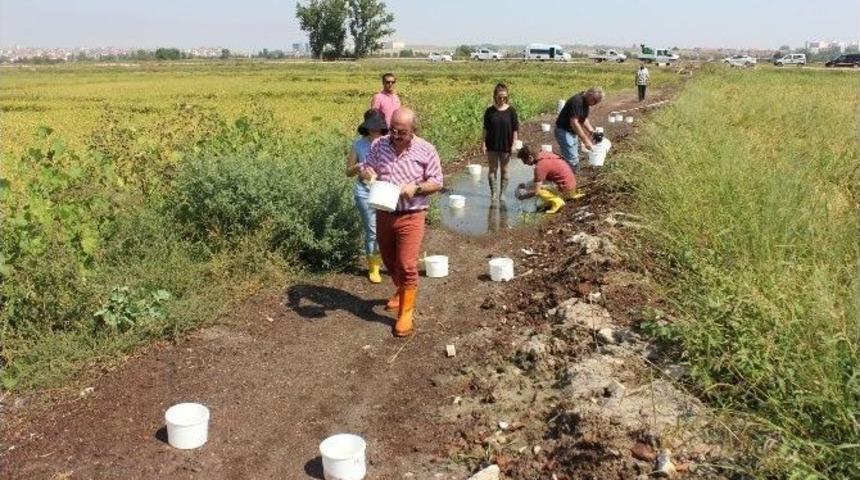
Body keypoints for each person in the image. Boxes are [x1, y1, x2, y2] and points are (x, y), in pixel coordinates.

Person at [360, 108, 443, 337]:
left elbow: (437, 182)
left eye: (402, 132)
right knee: (390, 261)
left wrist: (415, 188)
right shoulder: (379, 145)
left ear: (413, 130)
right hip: (385, 211)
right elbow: (367, 167)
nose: (396, 135)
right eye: (393, 130)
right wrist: (367, 172)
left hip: (412, 213)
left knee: (407, 264)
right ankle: (401, 289)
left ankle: (406, 313)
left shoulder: (426, 150)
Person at [346, 109, 388, 284]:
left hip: (385, 192)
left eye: (378, 129)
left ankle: (386, 259)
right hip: (364, 193)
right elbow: (348, 171)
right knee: (372, 230)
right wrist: (357, 168)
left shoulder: (388, 143)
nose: (375, 132)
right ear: (366, 128)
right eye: (372, 129)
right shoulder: (358, 145)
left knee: (386, 230)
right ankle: (374, 267)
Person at [514, 143, 579, 214]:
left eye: (524, 161)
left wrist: (523, 196)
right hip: (571, 185)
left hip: (566, 190)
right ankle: (565, 194)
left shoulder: (540, 167)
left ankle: (557, 201)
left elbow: (536, 191)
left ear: (530, 157)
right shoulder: (544, 154)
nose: (524, 163)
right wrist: (527, 186)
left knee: (538, 193)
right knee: (532, 185)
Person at [482, 83, 519, 200]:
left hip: (506, 144)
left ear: (507, 97)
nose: (502, 99)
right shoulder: (489, 111)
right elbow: (485, 129)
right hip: (492, 144)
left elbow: (515, 129)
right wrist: (483, 143)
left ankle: (502, 193)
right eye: (499, 97)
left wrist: (514, 144)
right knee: (492, 169)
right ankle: (493, 193)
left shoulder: (511, 111)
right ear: (495, 96)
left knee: (505, 169)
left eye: (504, 97)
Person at [554, 86, 603, 173]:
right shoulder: (577, 102)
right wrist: (585, 140)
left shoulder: (585, 102)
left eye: (596, 103)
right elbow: (574, 123)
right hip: (564, 131)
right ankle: (569, 178)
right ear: (590, 94)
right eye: (594, 101)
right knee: (572, 159)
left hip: (571, 132)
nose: (594, 104)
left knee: (574, 155)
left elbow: (583, 119)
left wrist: (592, 131)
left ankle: (570, 172)